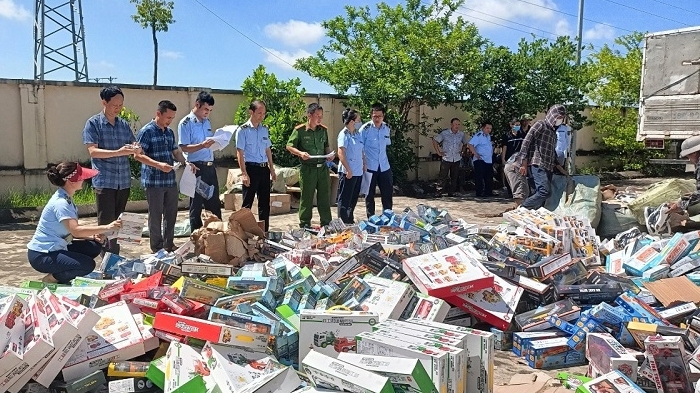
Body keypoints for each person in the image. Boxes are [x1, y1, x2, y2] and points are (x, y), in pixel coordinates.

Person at [27, 162, 122, 284]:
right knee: (87, 265)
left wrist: (92, 236)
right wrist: (107, 227)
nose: (84, 180)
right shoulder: (61, 203)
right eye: (81, 177)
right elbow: (75, 230)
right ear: (71, 181)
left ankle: (64, 270)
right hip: (42, 255)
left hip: (57, 246)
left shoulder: (66, 197)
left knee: (93, 246)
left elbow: (71, 231)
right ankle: (52, 278)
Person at [82, 85, 140, 255]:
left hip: (123, 181)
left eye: (121, 105)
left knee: (120, 222)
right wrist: (119, 152)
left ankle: (115, 255)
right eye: (115, 105)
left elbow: (134, 143)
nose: (118, 108)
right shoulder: (93, 123)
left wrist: (135, 148)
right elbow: (92, 151)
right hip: (105, 181)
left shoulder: (123, 124)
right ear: (104, 102)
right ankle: (107, 258)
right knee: (106, 222)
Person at [134, 100, 192, 253]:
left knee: (171, 214)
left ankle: (169, 244)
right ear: (158, 114)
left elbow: (176, 152)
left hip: (169, 180)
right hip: (154, 181)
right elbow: (138, 156)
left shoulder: (169, 132)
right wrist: (159, 165)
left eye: (172, 118)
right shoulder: (147, 132)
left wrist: (186, 163)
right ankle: (157, 247)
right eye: (168, 117)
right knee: (155, 216)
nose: (170, 121)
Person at [286, 103, 334, 228]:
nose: (319, 118)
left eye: (321, 116)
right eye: (317, 115)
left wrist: (329, 154)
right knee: (307, 198)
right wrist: (301, 153)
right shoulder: (300, 130)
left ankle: (326, 223)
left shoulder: (323, 130)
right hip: (308, 169)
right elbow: (289, 146)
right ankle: (305, 224)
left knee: (324, 197)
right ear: (309, 115)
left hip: (322, 168)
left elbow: (326, 146)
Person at [178, 91, 221, 231]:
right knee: (196, 205)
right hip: (196, 168)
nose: (207, 113)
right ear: (197, 104)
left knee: (214, 203)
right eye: (205, 109)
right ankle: (196, 238)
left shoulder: (207, 122)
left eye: (210, 110)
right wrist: (202, 145)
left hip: (210, 166)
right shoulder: (186, 123)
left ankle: (216, 234)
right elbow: (183, 147)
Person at [236, 100, 277, 232]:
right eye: (259, 113)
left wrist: (271, 168)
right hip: (251, 168)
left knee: (264, 203)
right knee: (247, 203)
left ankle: (264, 232)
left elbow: (268, 150)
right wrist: (244, 173)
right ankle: (243, 231)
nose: (261, 116)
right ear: (251, 112)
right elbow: (240, 153)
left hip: (264, 168)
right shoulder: (243, 130)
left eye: (264, 113)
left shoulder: (264, 129)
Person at [517, 104, 568, 210]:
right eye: (558, 117)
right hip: (537, 163)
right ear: (552, 115)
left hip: (548, 167)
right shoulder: (540, 125)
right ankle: (522, 209)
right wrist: (523, 162)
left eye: (562, 118)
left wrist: (561, 169)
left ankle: (532, 217)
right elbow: (526, 142)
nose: (560, 120)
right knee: (544, 191)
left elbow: (551, 153)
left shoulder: (553, 133)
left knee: (542, 196)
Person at [360, 103, 393, 217]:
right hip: (369, 166)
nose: (377, 119)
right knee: (369, 195)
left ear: (383, 116)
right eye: (375, 116)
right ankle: (371, 218)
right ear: (371, 116)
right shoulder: (365, 129)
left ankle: (388, 218)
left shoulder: (387, 128)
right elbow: (359, 147)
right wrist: (363, 163)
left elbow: (386, 144)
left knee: (387, 194)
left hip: (384, 165)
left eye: (379, 116)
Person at [336, 109, 365, 224]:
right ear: (352, 121)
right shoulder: (344, 134)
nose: (360, 122)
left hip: (358, 171)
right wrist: (348, 169)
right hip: (348, 172)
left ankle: (349, 219)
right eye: (358, 120)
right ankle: (342, 222)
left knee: (353, 198)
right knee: (344, 199)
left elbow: (361, 151)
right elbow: (341, 153)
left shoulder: (357, 134)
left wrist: (364, 163)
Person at [432, 118, 468, 197]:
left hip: (456, 157)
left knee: (454, 176)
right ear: (451, 125)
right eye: (455, 124)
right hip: (447, 157)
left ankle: (452, 192)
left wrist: (462, 151)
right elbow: (435, 140)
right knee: (443, 175)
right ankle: (439, 191)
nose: (457, 126)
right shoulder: (445, 133)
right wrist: (438, 152)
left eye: (458, 124)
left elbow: (465, 143)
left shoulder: (461, 134)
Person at [468, 121, 494, 198]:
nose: (489, 130)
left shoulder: (488, 136)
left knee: (488, 176)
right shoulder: (479, 135)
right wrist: (475, 154)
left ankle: (488, 191)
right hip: (480, 159)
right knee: (479, 177)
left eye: (490, 128)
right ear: (483, 128)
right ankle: (479, 192)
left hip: (488, 160)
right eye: (487, 128)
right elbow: (470, 144)